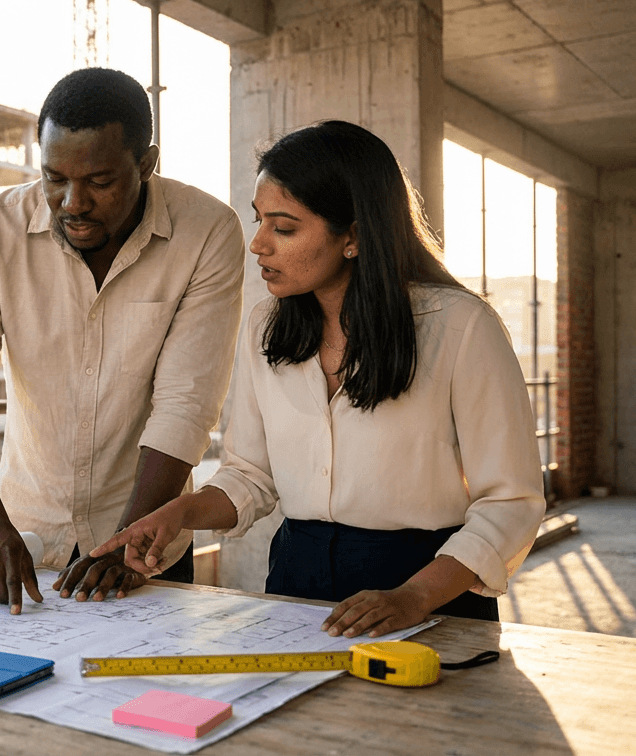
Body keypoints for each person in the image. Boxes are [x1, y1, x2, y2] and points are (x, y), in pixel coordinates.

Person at [91, 120, 546, 638]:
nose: (258, 244)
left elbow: (511, 503)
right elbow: (250, 475)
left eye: (283, 228)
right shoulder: (264, 326)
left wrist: (412, 598)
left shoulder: (462, 327)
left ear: (353, 235)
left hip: (432, 590)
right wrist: (178, 513)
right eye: (259, 220)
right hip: (294, 585)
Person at [0, 68, 245, 614]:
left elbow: (185, 405)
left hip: (148, 541)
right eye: (54, 178)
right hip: (22, 541)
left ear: (146, 164)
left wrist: (129, 542)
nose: (72, 202)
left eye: (98, 181)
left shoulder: (208, 232)